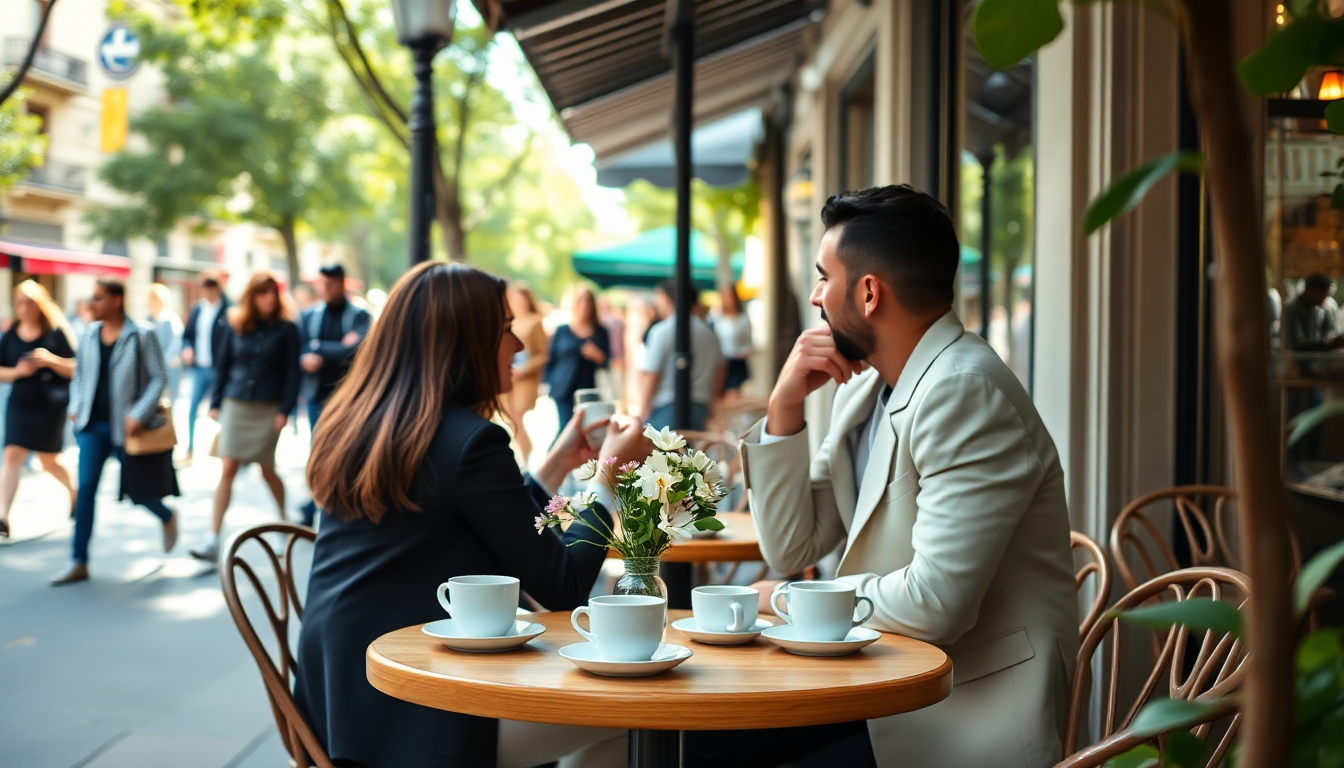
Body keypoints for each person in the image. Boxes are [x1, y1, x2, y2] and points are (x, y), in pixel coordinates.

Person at [691, 186, 1077, 768]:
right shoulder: (871, 389)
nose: (817, 297)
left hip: (968, 712)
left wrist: (790, 598)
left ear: (869, 293)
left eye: (824, 277)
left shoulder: (964, 391)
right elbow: (793, 543)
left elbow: (936, 604)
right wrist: (784, 408)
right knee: (702, 738)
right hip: (884, 688)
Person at [294, 262, 650, 768]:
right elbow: (562, 587)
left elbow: (478, 512)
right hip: (416, 711)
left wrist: (553, 464)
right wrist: (607, 481)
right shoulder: (471, 440)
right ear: (466, 342)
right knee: (640, 720)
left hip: (333, 697)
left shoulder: (361, 420)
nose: (520, 346)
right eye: (505, 330)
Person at [53, 278, 180, 585]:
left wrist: (138, 414)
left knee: (140, 491)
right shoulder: (88, 334)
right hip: (92, 427)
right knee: (85, 492)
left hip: (127, 429)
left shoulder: (141, 334)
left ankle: (167, 516)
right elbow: (80, 375)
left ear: (116, 300)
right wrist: (76, 405)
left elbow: (157, 378)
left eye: (98, 298)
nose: (91, 304)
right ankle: (78, 560)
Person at [188, 273, 300, 563]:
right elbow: (222, 364)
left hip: (268, 407)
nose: (269, 298)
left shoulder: (287, 329)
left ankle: (283, 524)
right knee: (228, 469)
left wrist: (284, 410)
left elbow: (292, 373)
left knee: (267, 469)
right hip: (236, 404)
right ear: (252, 295)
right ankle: (212, 537)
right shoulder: (235, 323)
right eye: (262, 292)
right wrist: (215, 404)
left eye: (273, 292)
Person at [0, 281, 78, 538]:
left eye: (29, 302)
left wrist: (50, 360)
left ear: (39, 304)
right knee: (13, 454)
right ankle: (3, 516)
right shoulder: (10, 335)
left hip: (49, 405)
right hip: (20, 403)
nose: (24, 308)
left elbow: (78, 367)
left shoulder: (55, 332)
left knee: (49, 461)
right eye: (19, 302)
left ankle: (74, 492)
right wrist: (18, 371)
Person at [297, 263, 371, 526]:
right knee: (319, 450)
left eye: (331, 284)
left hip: (350, 397)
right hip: (317, 395)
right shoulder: (309, 316)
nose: (325, 290)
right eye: (322, 284)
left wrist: (318, 348)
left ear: (342, 284)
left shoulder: (360, 315)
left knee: (347, 450)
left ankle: (332, 502)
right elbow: (298, 349)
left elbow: (359, 351)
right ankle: (316, 502)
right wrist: (306, 356)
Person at [639, 280, 724, 432]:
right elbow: (720, 369)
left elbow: (652, 375)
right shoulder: (709, 333)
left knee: (663, 455)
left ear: (668, 299)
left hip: (666, 408)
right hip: (700, 408)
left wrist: (642, 411)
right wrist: (712, 401)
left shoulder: (661, 331)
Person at [543, 286, 609, 429]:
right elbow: (550, 358)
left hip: (588, 390)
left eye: (588, 301)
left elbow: (607, 361)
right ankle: (554, 452)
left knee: (585, 430)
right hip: (563, 387)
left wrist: (597, 355)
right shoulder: (562, 330)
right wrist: (545, 382)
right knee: (566, 428)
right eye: (581, 301)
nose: (584, 305)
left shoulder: (600, 331)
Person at [180, 274, 231, 460]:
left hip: (220, 370)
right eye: (204, 289)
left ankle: (228, 451)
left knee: (224, 410)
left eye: (211, 288)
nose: (207, 293)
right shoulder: (198, 310)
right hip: (199, 368)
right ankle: (190, 448)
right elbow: (187, 335)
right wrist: (187, 349)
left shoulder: (228, 310)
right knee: (192, 407)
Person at [504, 282, 549, 462]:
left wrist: (525, 369)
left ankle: (527, 455)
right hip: (508, 377)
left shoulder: (535, 321)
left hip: (524, 379)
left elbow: (543, 354)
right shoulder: (508, 320)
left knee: (517, 416)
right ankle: (524, 454)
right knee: (510, 418)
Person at [146, 283, 184, 412]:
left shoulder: (170, 319)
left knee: (171, 400)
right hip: (154, 367)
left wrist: (163, 361)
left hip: (169, 366)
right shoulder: (149, 320)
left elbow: (176, 342)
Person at [711, 286, 753, 400]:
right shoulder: (717, 319)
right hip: (720, 362)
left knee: (732, 396)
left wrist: (743, 353)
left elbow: (748, 343)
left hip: (736, 363)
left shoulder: (743, 319)